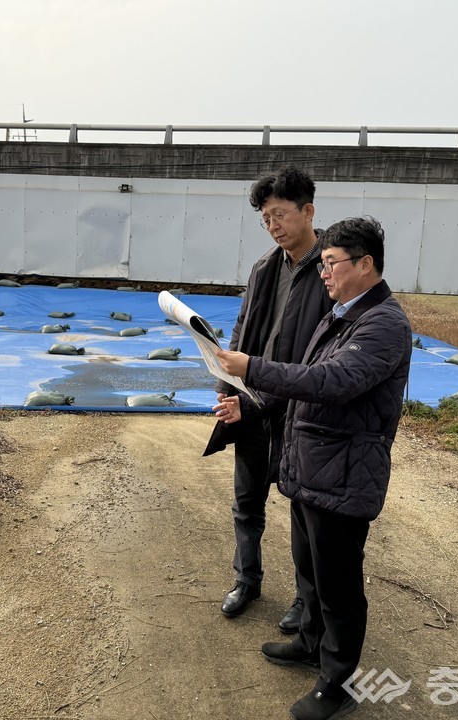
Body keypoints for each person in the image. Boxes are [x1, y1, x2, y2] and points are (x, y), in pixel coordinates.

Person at [215, 216, 412, 720]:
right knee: (311, 571)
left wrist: (251, 367)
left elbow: (332, 381)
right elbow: (300, 385)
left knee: (339, 585)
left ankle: (338, 681)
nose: (323, 273)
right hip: (312, 468)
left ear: (365, 264)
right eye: (322, 264)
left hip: (345, 473)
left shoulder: (384, 323)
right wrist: (251, 405)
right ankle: (309, 643)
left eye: (331, 263)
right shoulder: (341, 313)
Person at [205, 167, 332, 632]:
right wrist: (227, 388)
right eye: (266, 219)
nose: (274, 225)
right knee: (246, 501)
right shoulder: (264, 268)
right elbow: (241, 333)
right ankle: (247, 579)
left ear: (308, 211)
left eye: (280, 214)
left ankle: (305, 597)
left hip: (301, 410)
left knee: (303, 511)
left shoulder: (328, 271)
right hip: (252, 403)